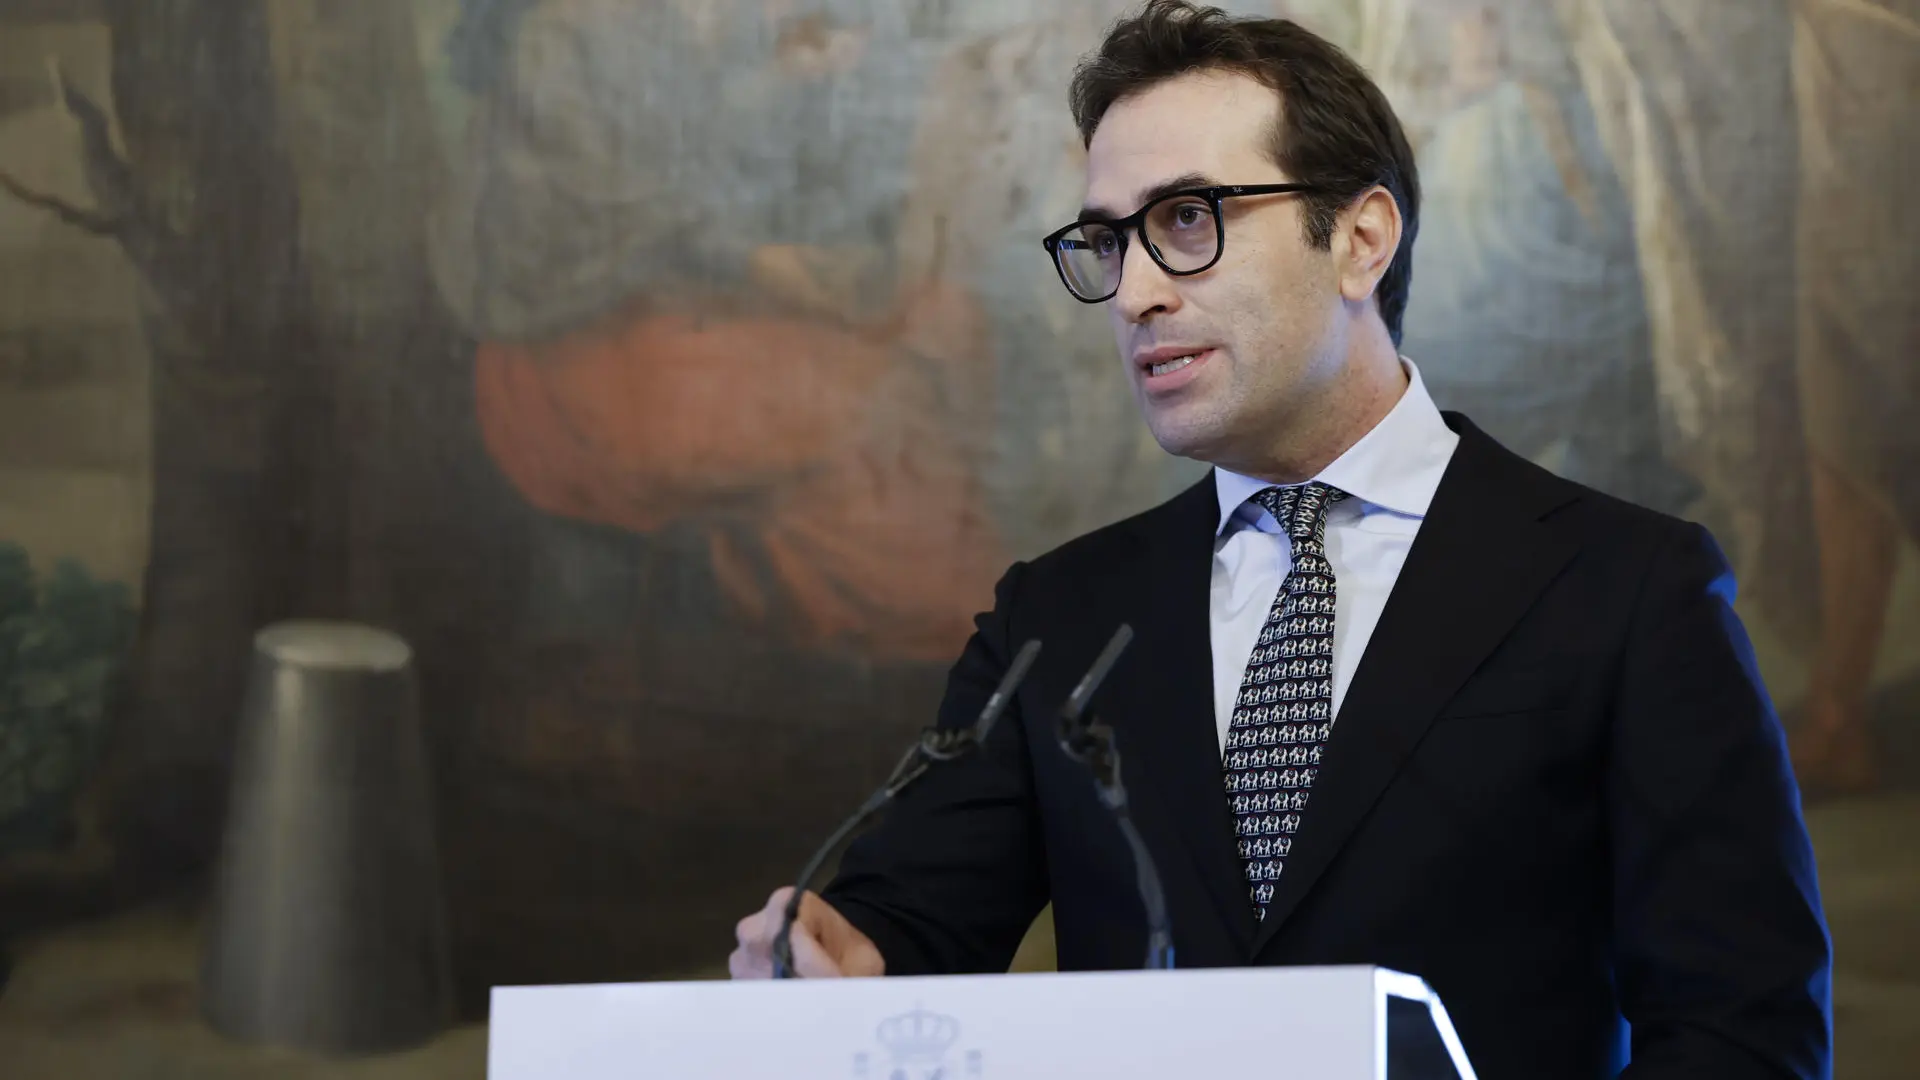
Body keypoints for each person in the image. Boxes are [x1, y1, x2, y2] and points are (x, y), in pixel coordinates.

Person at [730, 4, 1832, 1078]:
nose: (1134, 293)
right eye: (1109, 242)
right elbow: (901, 940)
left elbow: (1745, 1033)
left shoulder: (1628, 588)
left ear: (1360, 240)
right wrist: (831, 963)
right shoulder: (1057, 621)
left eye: (1187, 220)